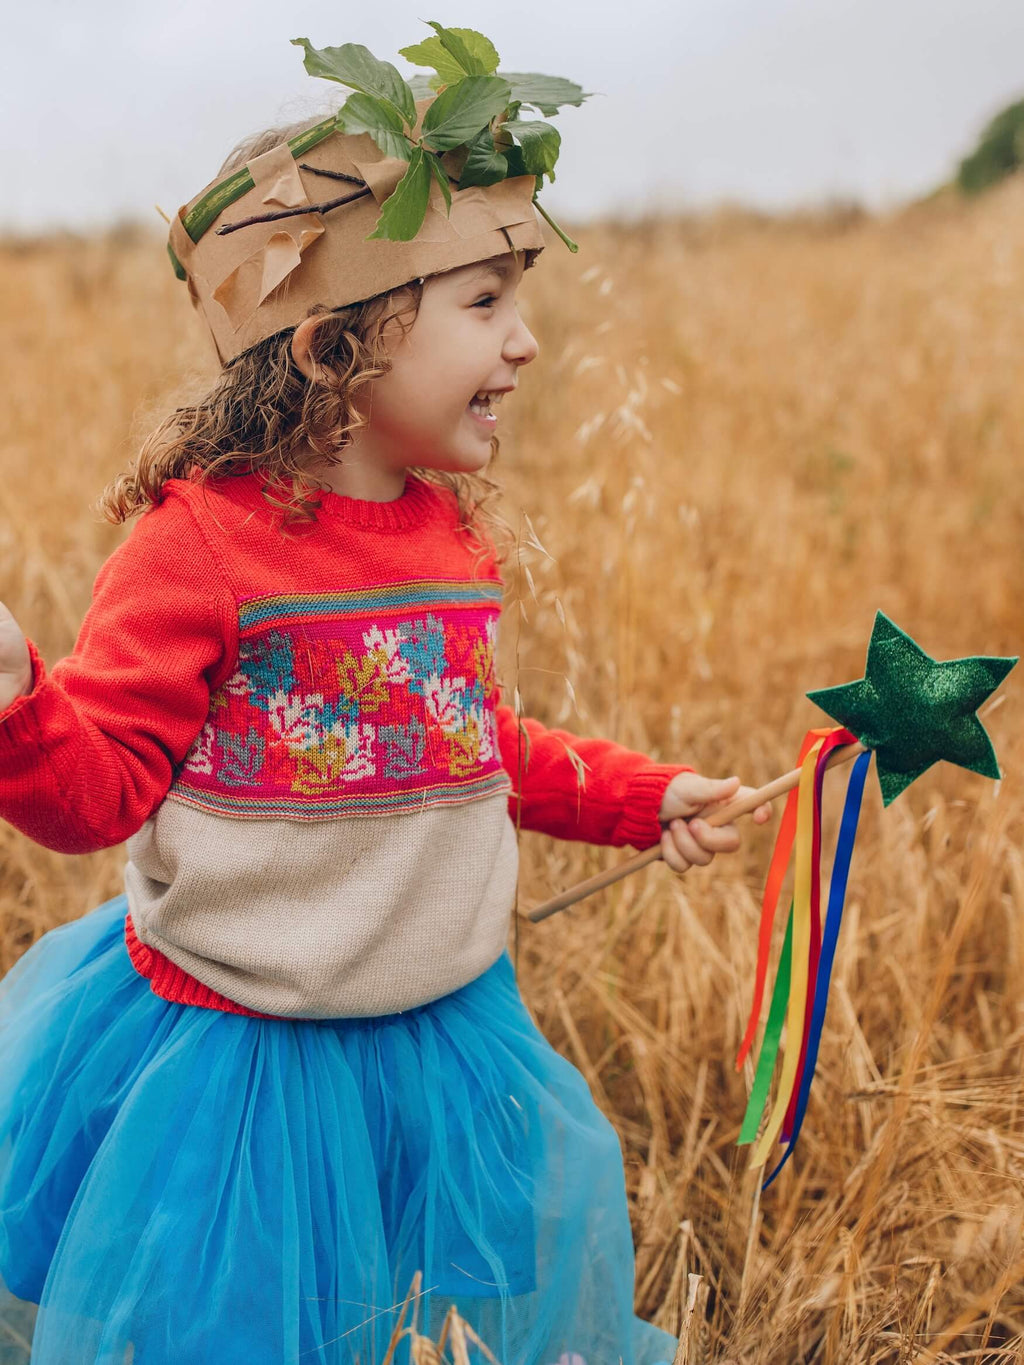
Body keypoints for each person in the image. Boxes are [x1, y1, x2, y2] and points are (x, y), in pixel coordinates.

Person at [0, 43, 770, 1365]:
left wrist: (645, 800)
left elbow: (471, 749)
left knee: (438, 1324)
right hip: (239, 1076)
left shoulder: (447, 538)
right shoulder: (197, 551)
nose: (526, 339)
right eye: (484, 299)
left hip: (445, 1045)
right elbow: (96, 791)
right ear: (333, 343)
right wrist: (18, 704)